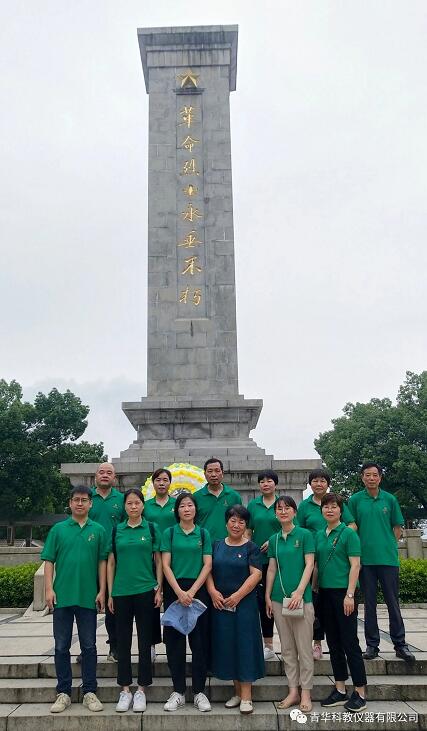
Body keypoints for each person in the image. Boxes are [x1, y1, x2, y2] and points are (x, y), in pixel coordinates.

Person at [41, 486, 107, 714]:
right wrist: (49, 589)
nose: (80, 503)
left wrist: (102, 590)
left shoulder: (98, 530)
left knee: (89, 646)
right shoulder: (58, 530)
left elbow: (102, 562)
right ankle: (63, 692)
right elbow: (49, 561)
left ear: (91, 504)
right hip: (63, 597)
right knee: (61, 646)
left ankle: (89, 691)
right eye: (76, 500)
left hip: (88, 597)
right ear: (70, 503)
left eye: (84, 500)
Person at [348, 462, 415, 663]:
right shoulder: (355, 500)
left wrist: (388, 545)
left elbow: (397, 527)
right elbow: (352, 526)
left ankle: (400, 644)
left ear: (380, 478)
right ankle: (372, 645)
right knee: (369, 605)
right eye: (367, 475)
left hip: (388, 560)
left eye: (374, 475)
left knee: (393, 603)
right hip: (365, 561)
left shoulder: (390, 499)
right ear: (362, 477)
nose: (371, 478)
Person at [107, 489, 162, 713]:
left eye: (137, 503)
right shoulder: (116, 530)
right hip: (121, 592)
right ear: (125, 506)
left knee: (144, 641)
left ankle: (141, 689)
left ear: (143, 505)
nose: (133, 507)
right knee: (122, 641)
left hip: (146, 590)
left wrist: (159, 588)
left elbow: (158, 561)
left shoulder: (151, 528)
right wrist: (110, 593)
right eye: (129, 503)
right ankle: (125, 689)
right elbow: (111, 563)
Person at [207, 505, 264, 715]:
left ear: (246, 525)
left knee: (245, 646)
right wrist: (212, 591)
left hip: (244, 606)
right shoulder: (216, 545)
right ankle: (237, 692)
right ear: (226, 523)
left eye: (241, 522)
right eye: (233, 520)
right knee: (228, 646)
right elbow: (208, 570)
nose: (236, 525)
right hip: (221, 605)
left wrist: (238, 596)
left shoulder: (251, 548)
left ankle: (247, 696)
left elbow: (256, 574)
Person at [296, 468, 356, 660]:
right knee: (316, 603)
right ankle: (316, 642)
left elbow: (352, 524)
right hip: (312, 558)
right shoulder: (304, 506)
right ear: (310, 484)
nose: (319, 484)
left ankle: (321, 644)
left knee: (335, 614)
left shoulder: (337, 503)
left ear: (328, 484)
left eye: (323, 480)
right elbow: (298, 529)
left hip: (334, 556)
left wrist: (340, 536)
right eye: (315, 480)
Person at [161, 491, 213, 713]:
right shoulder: (170, 533)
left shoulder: (203, 533)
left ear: (195, 509)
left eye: (190, 505)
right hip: (174, 590)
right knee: (175, 644)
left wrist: (191, 591)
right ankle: (178, 691)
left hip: (198, 591)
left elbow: (207, 564)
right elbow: (165, 565)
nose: (186, 509)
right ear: (177, 510)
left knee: (199, 643)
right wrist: (179, 592)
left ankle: (199, 691)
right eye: (182, 506)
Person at [315, 493, 367, 713]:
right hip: (325, 594)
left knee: (350, 643)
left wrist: (350, 594)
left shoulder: (348, 533)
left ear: (341, 510)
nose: (330, 510)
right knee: (334, 643)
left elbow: (355, 565)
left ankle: (360, 692)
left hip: (344, 594)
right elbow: (316, 565)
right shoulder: (319, 534)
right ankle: (340, 689)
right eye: (326, 506)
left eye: (334, 506)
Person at [265, 495, 315, 713]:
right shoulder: (274, 539)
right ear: (275, 513)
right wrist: (267, 596)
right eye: (279, 508)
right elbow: (272, 569)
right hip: (279, 599)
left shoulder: (305, 535)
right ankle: (293, 690)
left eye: (287, 508)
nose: (283, 511)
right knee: (287, 648)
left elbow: (310, 564)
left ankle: (306, 692)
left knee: (304, 648)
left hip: (301, 599)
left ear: (295, 512)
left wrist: (300, 591)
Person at [89, 462, 126, 662]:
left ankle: (115, 647)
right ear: (95, 476)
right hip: (90, 559)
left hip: (114, 560)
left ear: (115, 478)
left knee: (114, 605)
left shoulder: (121, 499)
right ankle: (88, 648)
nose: (105, 475)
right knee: (88, 607)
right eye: (101, 472)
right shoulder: (87, 498)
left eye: (109, 473)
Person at [247, 470, 281, 661]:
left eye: (269, 481)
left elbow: (291, 527)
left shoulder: (282, 504)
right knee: (261, 601)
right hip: (258, 561)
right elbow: (248, 531)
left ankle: (284, 642)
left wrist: (273, 540)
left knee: (277, 600)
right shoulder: (254, 505)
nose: (265, 484)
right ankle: (267, 644)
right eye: (262, 481)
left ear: (276, 483)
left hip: (280, 560)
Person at [144, 468, 177, 662]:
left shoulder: (177, 504)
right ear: (153, 483)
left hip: (174, 558)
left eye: (165, 480)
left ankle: (173, 643)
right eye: (158, 480)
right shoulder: (146, 506)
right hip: (152, 558)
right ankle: (151, 644)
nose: (162, 483)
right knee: (152, 603)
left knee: (172, 600)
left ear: (170, 483)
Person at [193, 458, 242, 542]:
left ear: (222, 473)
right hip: (204, 544)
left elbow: (241, 521)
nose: (213, 474)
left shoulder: (234, 496)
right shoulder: (196, 497)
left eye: (217, 471)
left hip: (229, 544)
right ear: (204, 474)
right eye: (210, 471)